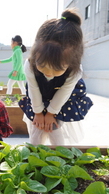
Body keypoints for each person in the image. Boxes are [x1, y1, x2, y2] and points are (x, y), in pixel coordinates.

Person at [18, 9, 93, 145]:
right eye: (42, 65)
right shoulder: (30, 65)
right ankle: (34, 155)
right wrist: (39, 113)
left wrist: (51, 113)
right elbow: (33, 89)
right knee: (37, 128)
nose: (49, 73)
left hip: (62, 99)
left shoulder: (74, 71)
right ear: (35, 53)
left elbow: (64, 93)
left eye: (57, 69)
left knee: (54, 128)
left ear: (72, 61)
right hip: (39, 94)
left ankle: (59, 155)